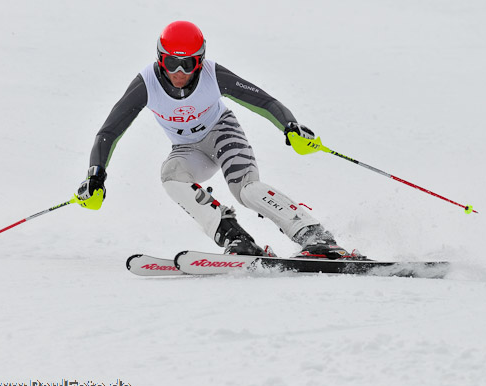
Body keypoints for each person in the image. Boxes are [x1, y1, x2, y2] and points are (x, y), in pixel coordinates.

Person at [76, 20, 352, 259]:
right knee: (171, 175)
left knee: (247, 190)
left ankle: (314, 234)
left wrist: (290, 126)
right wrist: (95, 176)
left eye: (189, 63)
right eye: (172, 62)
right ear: (161, 59)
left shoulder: (212, 74)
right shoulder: (146, 83)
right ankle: (235, 238)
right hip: (187, 149)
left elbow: (264, 101)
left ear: (201, 60)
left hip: (223, 133)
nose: (180, 72)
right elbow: (109, 132)